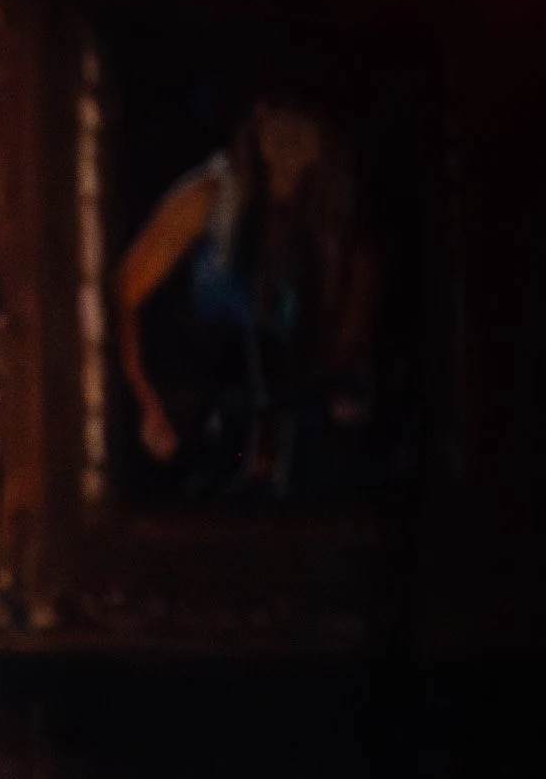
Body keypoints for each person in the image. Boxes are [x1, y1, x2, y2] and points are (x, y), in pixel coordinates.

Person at [113, 95, 379, 501]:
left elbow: (346, 355)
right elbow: (122, 289)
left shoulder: (340, 230)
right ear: (257, 118)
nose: (287, 134)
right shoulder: (210, 196)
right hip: (207, 440)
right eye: (276, 113)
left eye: (301, 120)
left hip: (298, 458)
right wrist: (146, 401)